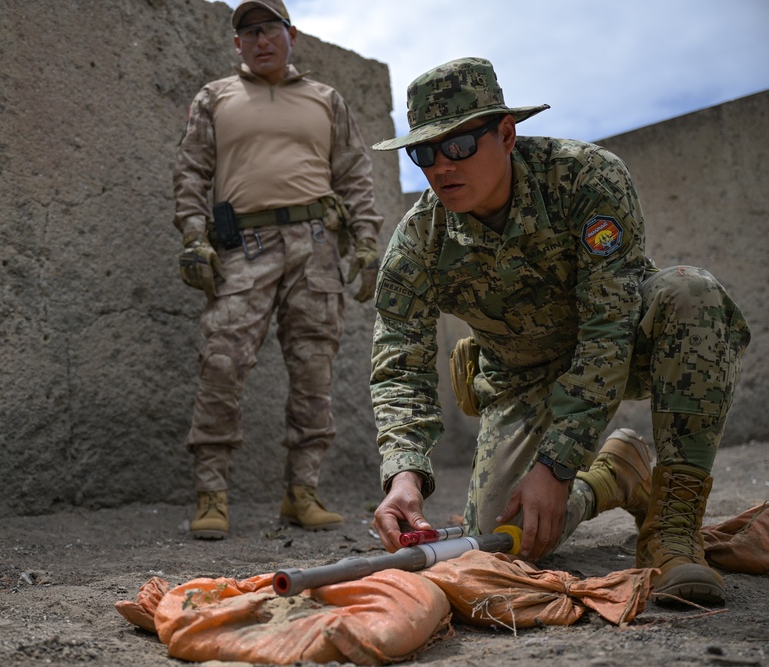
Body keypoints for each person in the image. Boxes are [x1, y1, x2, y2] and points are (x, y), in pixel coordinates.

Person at [369, 57, 750, 605]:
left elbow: (609, 327)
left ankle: (673, 527)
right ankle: (613, 475)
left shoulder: (584, 178)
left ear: (505, 133)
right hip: (520, 377)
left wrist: (555, 462)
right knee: (507, 541)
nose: (440, 167)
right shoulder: (418, 242)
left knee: (691, 294)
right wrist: (404, 474)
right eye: (423, 152)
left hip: (620, 348)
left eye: (457, 146)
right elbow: (397, 362)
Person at [172, 0, 384, 539]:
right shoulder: (215, 97)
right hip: (244, 245)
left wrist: (365, 240)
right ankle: (211, 496)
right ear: (237, 44)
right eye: (249, 32)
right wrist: (194, 237)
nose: (261, 39)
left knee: (314, 370)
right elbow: (191, 172)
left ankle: (302, 492)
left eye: (271, 29)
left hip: (315, 247)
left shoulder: (325, 100)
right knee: (222, 359)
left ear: (292, 35)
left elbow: (354, 173)